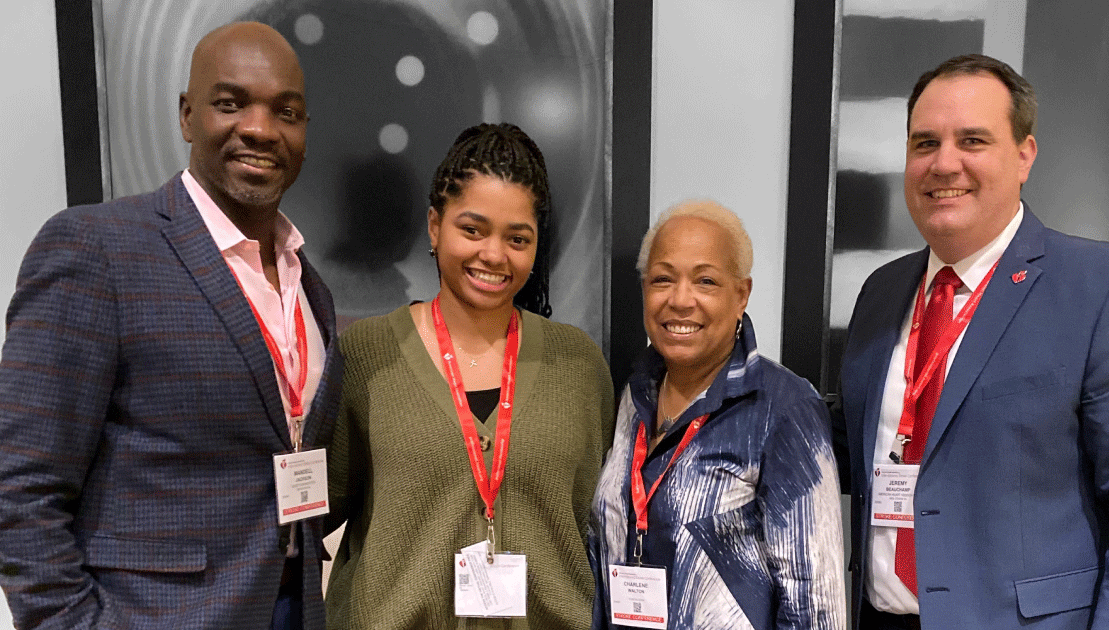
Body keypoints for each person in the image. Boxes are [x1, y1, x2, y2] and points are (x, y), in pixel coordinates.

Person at [833, 53, 1109, 630]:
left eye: (972, 140)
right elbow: (859, 445)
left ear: (1024, 155)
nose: (943, 164)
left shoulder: (1106, 288)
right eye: (924, 143)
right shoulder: (881, 292)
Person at [0, 22, 343, 630]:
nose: (261, 129)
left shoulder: (305, 281)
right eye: (230, 103)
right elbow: (20, 484)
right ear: (188, 116)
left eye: (285, 112)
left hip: (295, 607)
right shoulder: (96, 247)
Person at [324, 122, 614, 629]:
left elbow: (591, 523)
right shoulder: (368, 355)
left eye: (517, 237)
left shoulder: (578, 366)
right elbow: (321, 507)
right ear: (435, 227)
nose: (494, 255)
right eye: (472, 229)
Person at [589, 200, 845, 629]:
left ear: (741, 294)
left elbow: (816, 603)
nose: (680, 300)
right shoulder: (637, 395)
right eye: (662, 279)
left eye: (705, 281)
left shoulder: (782, 408)